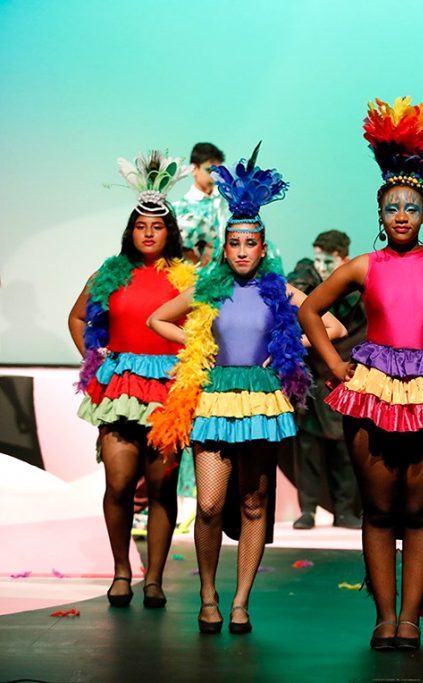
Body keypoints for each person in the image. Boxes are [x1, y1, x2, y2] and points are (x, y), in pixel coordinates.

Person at [299, 95, 423, 651]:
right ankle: (383, 618)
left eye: (412, 206)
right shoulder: (363, 265)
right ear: (381, 214)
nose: (403, 215)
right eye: (394, 208)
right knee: (380, 509)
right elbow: (310, 310)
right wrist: (337, 365)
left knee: (419, 511)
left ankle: (411, 619)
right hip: (372, 389)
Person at [147, 143, 344, 635]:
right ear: (226, 245)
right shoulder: (208, 287)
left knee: (254, 503)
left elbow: (334, 327)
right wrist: (197, 341)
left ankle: (240, 601)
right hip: (214, 397)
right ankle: (209, 593)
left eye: (248, 244)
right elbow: (157, 319)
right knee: (211, 504)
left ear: (261, 247)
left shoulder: (280, 288)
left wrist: (291, 346)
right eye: (233, 243)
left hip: (260, 399)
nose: (240, 251)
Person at [68, 151, 194, 609]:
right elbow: (79, 317)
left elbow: (204, 328)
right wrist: (94, 361)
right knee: (119, 483)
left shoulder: (187, 277)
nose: (148, 232)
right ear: (130, 231)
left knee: (162, 485)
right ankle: (123, 571)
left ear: (169, 231)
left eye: (157, 226)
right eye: (141, 225)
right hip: (120, 387)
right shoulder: (110, 273)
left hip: (170, 391)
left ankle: (155, 578)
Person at [288, 230, 366, 530]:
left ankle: (344, 509)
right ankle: (307, 508)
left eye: (328, 260)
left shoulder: (357, 290)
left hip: (345, 373)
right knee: (306, 444)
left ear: (343, 259)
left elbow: (355, 331)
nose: (321, 266)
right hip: (311, 376)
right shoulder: (306, 282)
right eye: (318, 258)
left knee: (344, 446)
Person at [172, 142, 229, 266]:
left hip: (229, 276)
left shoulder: (230, 204)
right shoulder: (178, 209)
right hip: (194, 279)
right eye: (209, 170)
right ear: (194, 169)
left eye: (218, 171)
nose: (215, 176)